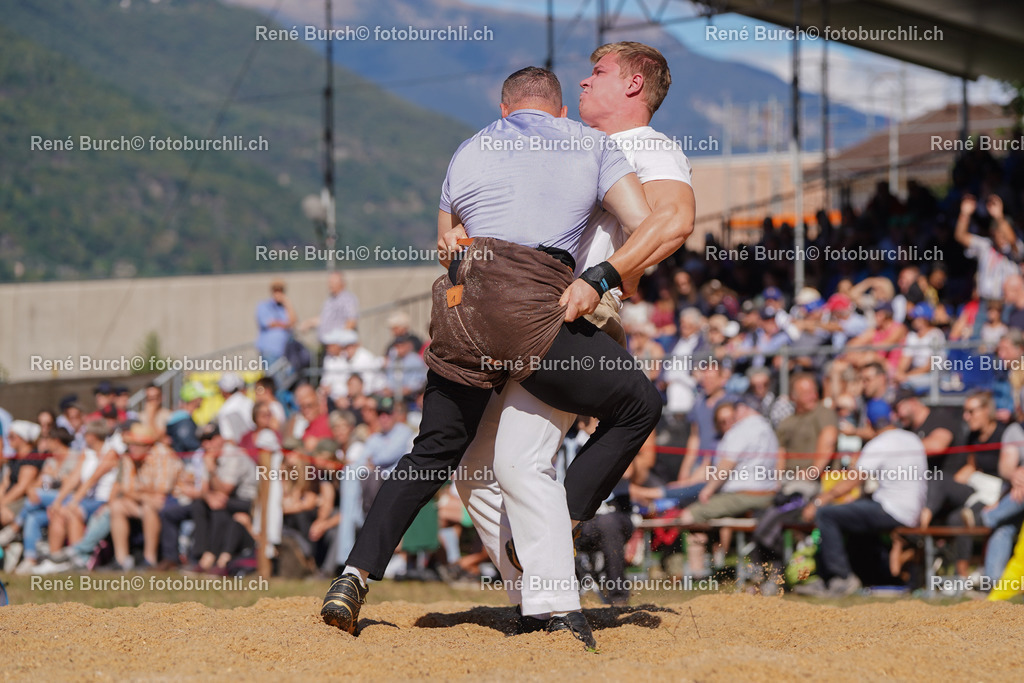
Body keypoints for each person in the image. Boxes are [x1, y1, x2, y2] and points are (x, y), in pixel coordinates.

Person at [323, 63, 689, 644]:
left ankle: (352, 576)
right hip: (533, 315)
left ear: (503, 111)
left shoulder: (466, 152)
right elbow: (645, 226)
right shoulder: (592, 144)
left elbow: (449, 245)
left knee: (436, 453)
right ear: (560, 109)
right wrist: (607, 277)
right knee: (639, 404)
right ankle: (558, 578)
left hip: (461, 314)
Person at [452, 42, 694, 638]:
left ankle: (553, 602)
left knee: (518, 460)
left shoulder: (647, 147)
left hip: (574, 317)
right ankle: (531, 592)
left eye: (599, 74)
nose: (582, 83)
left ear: (635, 86)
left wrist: (603, 278)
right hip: (520, 311)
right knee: (476, 467)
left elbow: (675, 219)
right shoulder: (575, 141)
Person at [796, 400, 928, 597]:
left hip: (892, 510)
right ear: (892, 417)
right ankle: (862, 576)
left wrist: (819, 501)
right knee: (852, 518)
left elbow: (853, 480)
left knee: (826, 515)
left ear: (868, 422)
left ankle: (841, 578)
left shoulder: (880, 443)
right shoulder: (912, 438)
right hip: (911, 511)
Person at [301, 271, 359, 342]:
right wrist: (308, 323)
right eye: (329, 282)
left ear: (341, 283)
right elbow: (324, 319)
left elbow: (351, 321)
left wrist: (340, 342)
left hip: (338, 346)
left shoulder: (348, 299)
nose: (330, 285)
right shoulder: (330, 300)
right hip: (327, 345)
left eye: (332, 282)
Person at [255, 280, 297, 365]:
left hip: (284, 352)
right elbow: (269, 323)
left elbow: (293, 322)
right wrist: (285, 324)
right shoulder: (264, 305)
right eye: (276, 291)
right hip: (270, 350)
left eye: (281, 291)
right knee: (274, 377)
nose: (278, 294)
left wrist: (288, 304)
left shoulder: (285, 308)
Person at [217, 373, 254, 445]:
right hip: (256, 447)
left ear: (223, 390)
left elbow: (229, 438)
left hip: (242, 451)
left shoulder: (225, 410)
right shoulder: (249, 402)